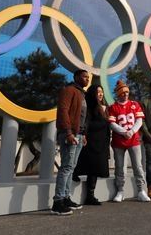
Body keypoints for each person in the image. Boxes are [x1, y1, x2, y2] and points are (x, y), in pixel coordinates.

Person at [51, 69, 90, 215]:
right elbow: (63, 111)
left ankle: (66, 198)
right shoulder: (69, 90)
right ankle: (58, 202)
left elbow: (81, 117)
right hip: (70, 134)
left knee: (71, 167)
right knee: (66, 167)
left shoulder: (81, 94)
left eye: (88, 77)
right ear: (76, 77)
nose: (87, 79)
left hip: (78, 135)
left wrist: (83, 134)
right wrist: (68, 132)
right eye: (84, 76)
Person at [108, 80, 151, 202]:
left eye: (127, 92)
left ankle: (141, 190)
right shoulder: (113, 107)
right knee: (120, 167)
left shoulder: (134, 104)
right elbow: (112, 124)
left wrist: (131, 132)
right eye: (122, 92)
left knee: (137, 166)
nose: (125, 94)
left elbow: (139, 120)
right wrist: (123, 132)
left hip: (134, 140)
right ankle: (120, 191)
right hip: (118, 141)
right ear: (118, 93)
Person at [72, 84, 111, 205]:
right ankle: (74, 174)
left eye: (102, 91)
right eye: (98, 91)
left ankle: (90, 196)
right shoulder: (88, 106)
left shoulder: (106, 107)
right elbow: (86, 122)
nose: (100, 94)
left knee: (95, 170)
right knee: (86, 163)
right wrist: (84, 135)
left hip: (102, 142)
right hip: (90, 140)